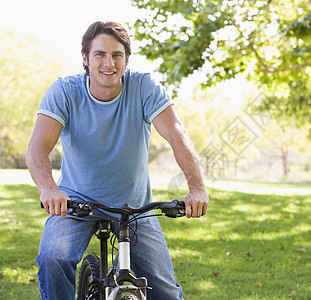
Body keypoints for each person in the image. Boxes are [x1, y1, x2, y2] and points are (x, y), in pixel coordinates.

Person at [26, 21, 209, 300]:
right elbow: (38, 147)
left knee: (167, 294)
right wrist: (49, 189)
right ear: (85, 59)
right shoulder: (64, 90)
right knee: (53, 258)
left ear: (126, 60)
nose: (108, 63)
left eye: (117, 55)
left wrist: (196, 187)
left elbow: (176, 134)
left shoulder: (144, 87)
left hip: (134, 206)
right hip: (77, 203)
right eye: (100, 54)